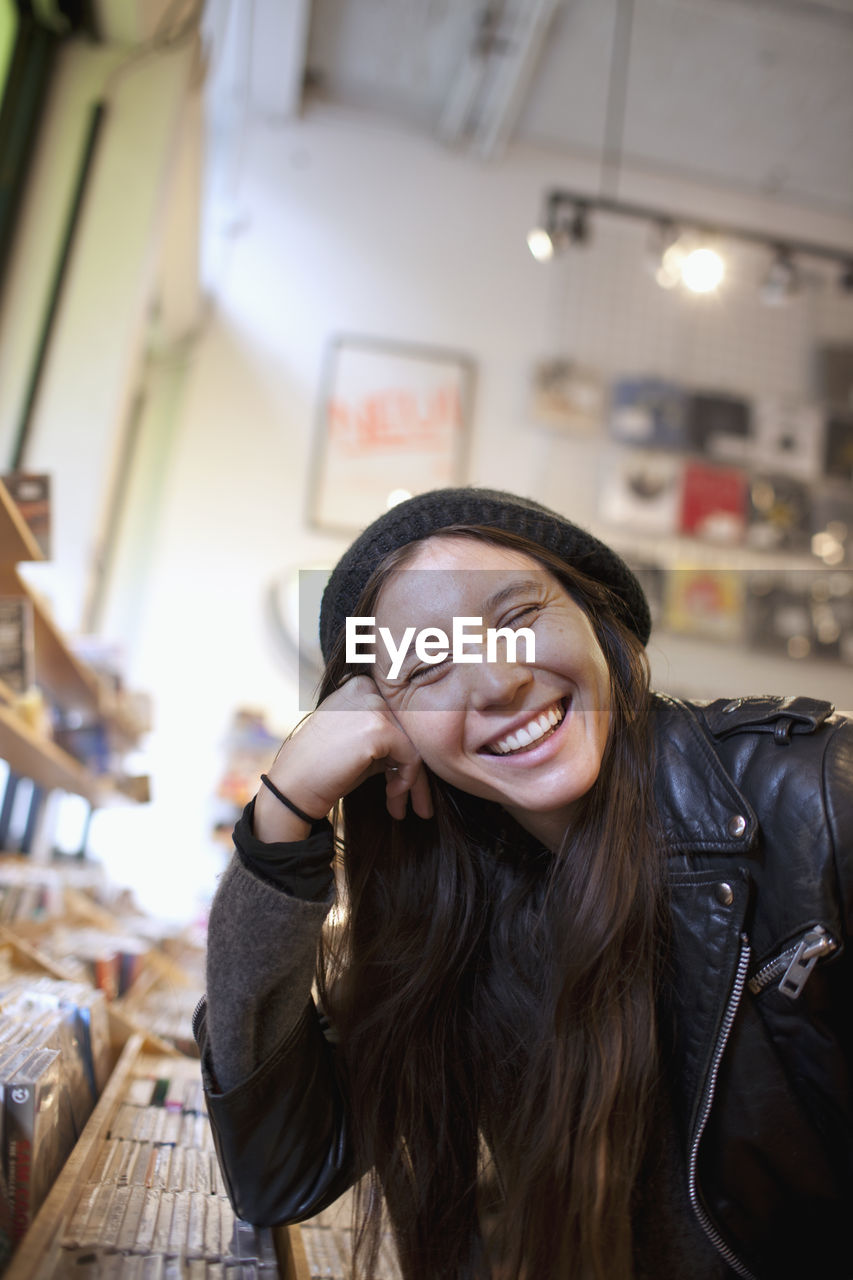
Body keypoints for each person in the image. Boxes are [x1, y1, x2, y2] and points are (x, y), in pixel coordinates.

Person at [193, 487, 852, 1280]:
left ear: (595, 615)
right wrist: (283, 815)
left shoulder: (819, 797)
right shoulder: (453, 913)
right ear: (392, 729)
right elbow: (278, 1172)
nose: (496, 684)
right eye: (425, 666)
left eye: (512, 621)